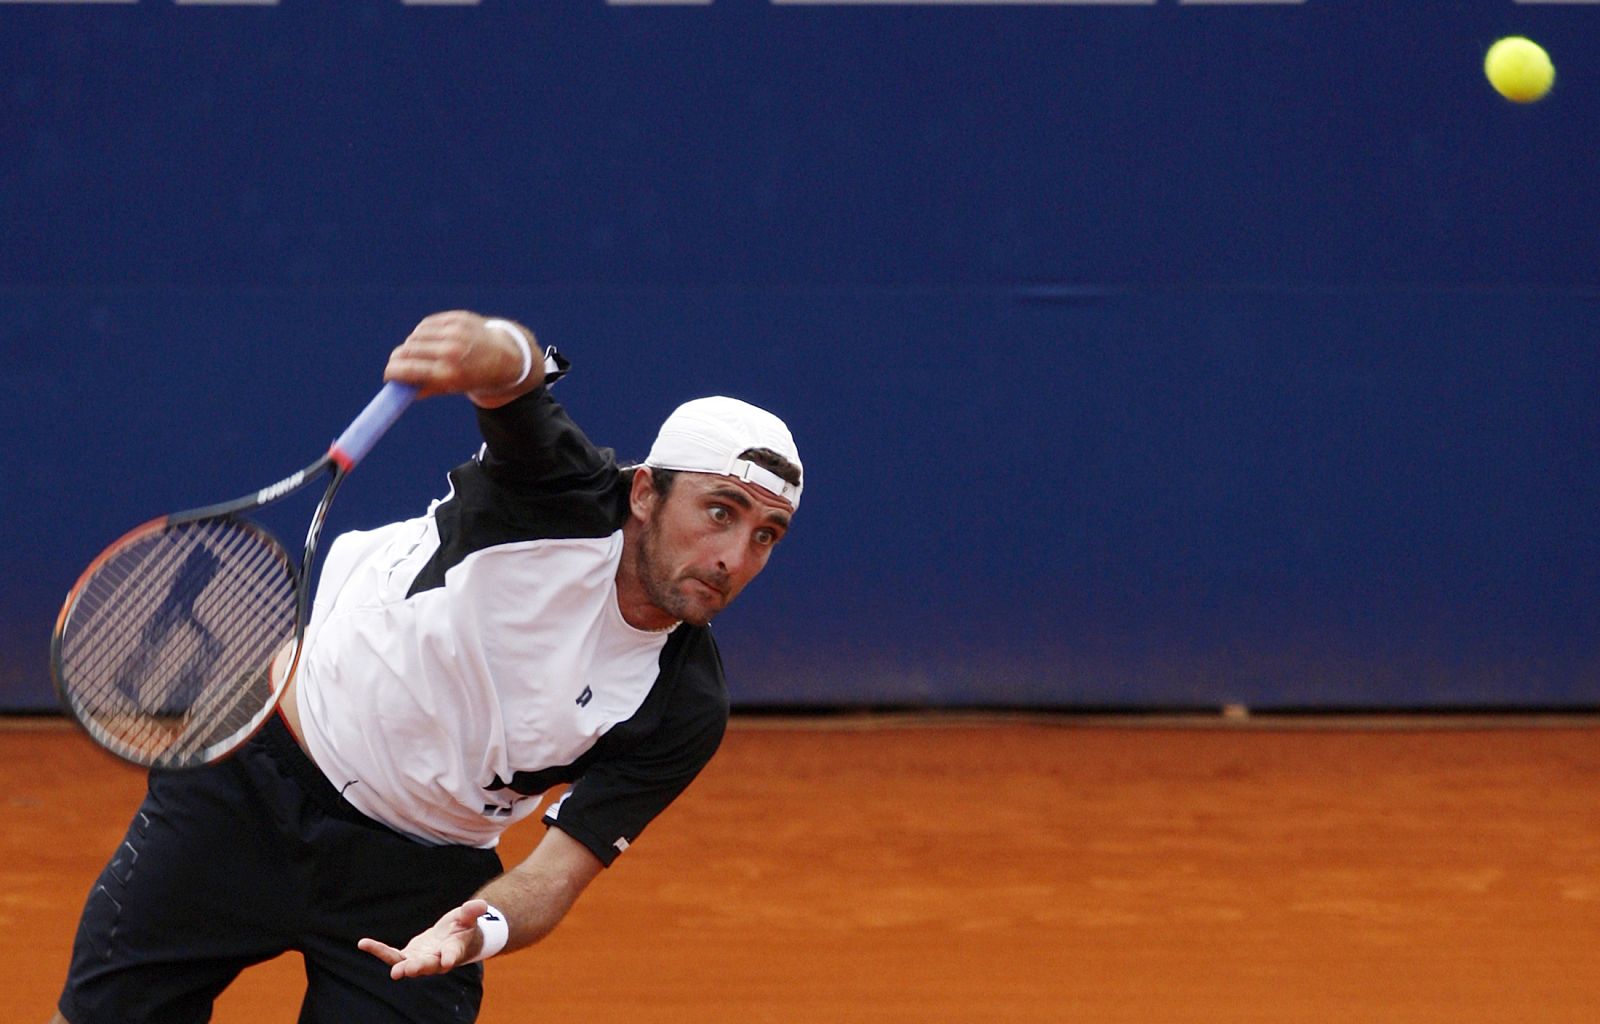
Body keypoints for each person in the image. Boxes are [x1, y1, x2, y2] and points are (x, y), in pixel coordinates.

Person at [50, 310, 803, 1024]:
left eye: (767, 535)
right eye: (719, 510)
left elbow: (557, 874)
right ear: (645, 492)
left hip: (420, 877)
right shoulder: (561, 499)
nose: (734, 557)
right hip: (250, 785)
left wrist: (484, 927)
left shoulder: (685, 704)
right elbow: (512, 381)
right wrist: (489, 346)